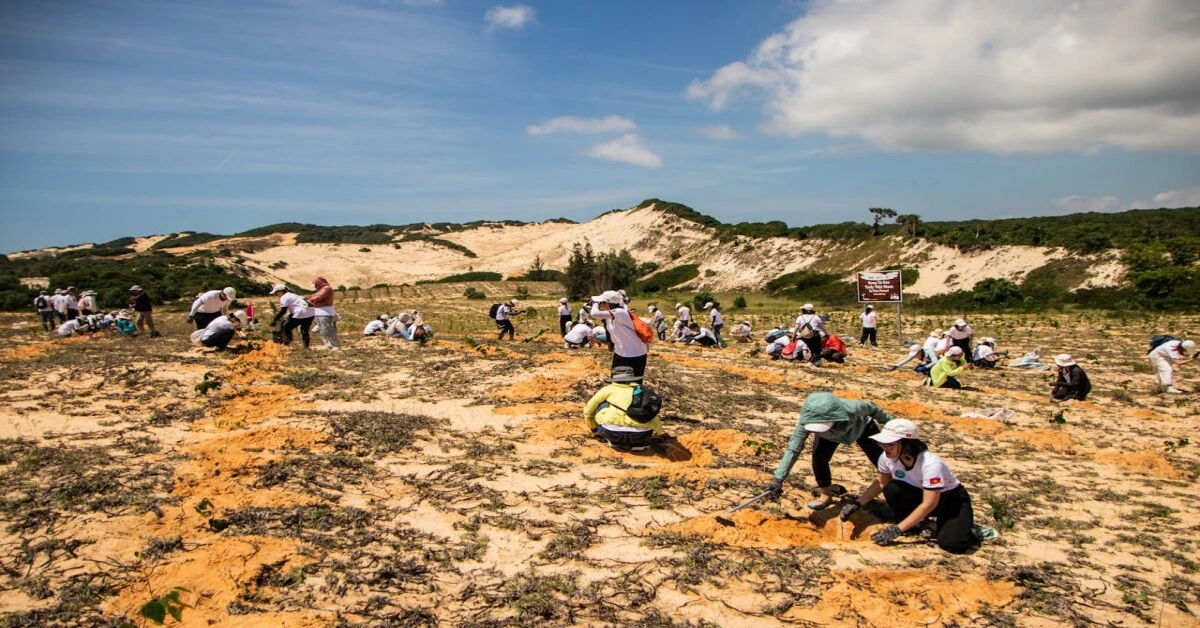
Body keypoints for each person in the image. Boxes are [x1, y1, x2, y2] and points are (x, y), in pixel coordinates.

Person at [838, 419, 977, 554]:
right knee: (892, 488)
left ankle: (970, 529)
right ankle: (913, 523)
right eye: (882, 443)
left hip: (949, 500)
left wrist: (896, 530)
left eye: (890, 444)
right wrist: (857, 504)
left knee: (952, 544)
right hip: (918, 494)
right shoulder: (886, 458)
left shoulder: (931, 464)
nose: (885, 447)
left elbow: (929, 504)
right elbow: (881, 482)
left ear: (907, 443)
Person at [766, 392, 897, 510]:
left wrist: (894, 426)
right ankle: (825, 495)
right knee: (819, 459)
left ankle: (897, 497)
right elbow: (793, 449)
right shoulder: (807, 423)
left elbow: (874, 409)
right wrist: (778, 478)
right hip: (829, 437)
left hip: (861, 429)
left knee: (883, 462)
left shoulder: (853, 408)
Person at [584, 366, 663, 449]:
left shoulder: (608, 390)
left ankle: (615, 442)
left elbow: (588, 410)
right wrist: (658, 430)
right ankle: (639, 444)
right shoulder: (643, 391)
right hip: (641, 435)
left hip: (612, 433)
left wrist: (593, 429)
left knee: (602, 404)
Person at [590, 290, 649, 377]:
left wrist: (594, 303)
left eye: (602, 302)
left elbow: (594, 313)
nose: (600, 304)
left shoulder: (620, 312)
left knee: (634, 384)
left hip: (635, 353)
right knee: (616, 380)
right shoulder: (610, 316)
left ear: (609, 303)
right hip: (620, 352)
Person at [271, 284, 315, 348]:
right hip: (311, 313)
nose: (276, 295)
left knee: (286, 328)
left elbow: (283, 310)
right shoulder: (294, 295)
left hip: (300, 313)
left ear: (280, 291)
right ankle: (306, 347)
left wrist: (275, 320)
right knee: (304, 330)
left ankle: (286, 345)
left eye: (276, 292)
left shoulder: (284, 297)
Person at [310, 277, 340, 350]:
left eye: (316, 284)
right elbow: (314, 297)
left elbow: (318, 297)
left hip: (325, 312)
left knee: (327, 329)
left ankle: (335, 344)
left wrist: (313, 299)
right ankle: (328, 344)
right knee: (322, 329)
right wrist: (313, 298)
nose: (315, 286)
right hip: (319, 311)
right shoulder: (320, 290)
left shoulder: (327, 288)